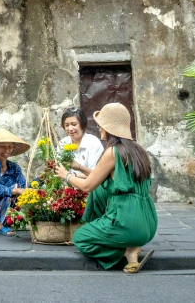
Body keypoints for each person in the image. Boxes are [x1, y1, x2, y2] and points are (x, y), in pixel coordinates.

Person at [56, 102, 157, 273]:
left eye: (101, 125)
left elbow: (87, 185)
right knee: (101, 188)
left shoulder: (112, 152)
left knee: (80, 238)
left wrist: (66, 175)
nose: (99, 128)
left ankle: (125, 250)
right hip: (149, 223)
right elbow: (97, 178)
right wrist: (79, 168)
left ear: (108, 127)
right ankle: (129, 246)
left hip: (127, 223)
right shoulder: (139, 150)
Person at [57, 106, 104, 179]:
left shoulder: (93, 143)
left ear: (83, 124)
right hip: (66, 187)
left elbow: (97, 174)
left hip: (90, 187)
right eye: (67, 125)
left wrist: (73, 175)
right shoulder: (62, 143)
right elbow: (59, 170)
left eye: (74, 124)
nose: (70, 129)